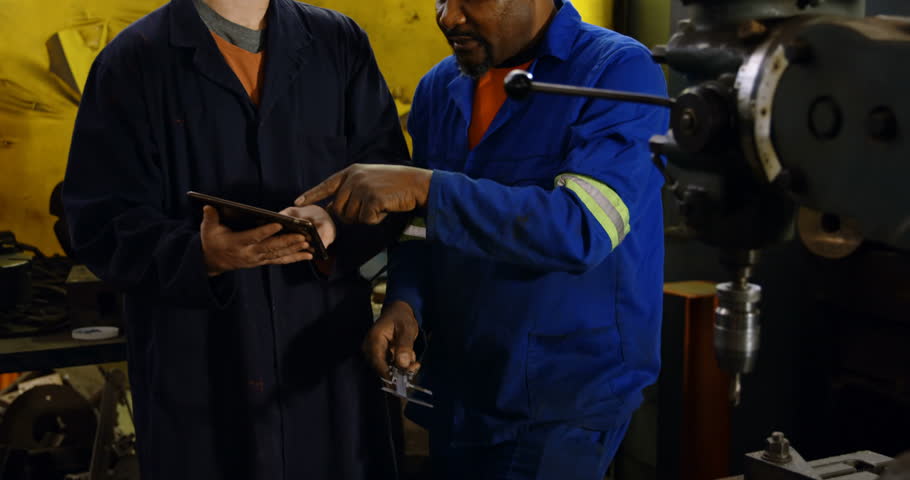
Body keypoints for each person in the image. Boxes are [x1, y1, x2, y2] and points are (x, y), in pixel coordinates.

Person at [296, 0, 669, 477]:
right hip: (461, 385)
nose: (448, 17)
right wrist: (407, 302)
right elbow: (421, 226)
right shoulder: (440, 87)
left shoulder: (616, 71)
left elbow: (581, 229)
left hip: (560, 402)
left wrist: (424, 186)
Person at [62, 0, 409, 478]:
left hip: (322, 355)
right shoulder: (133, 60)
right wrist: (198, 255)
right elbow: (98, 221)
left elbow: (389, 179)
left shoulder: (339, 42)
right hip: (202, 362)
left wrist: (333, 221)